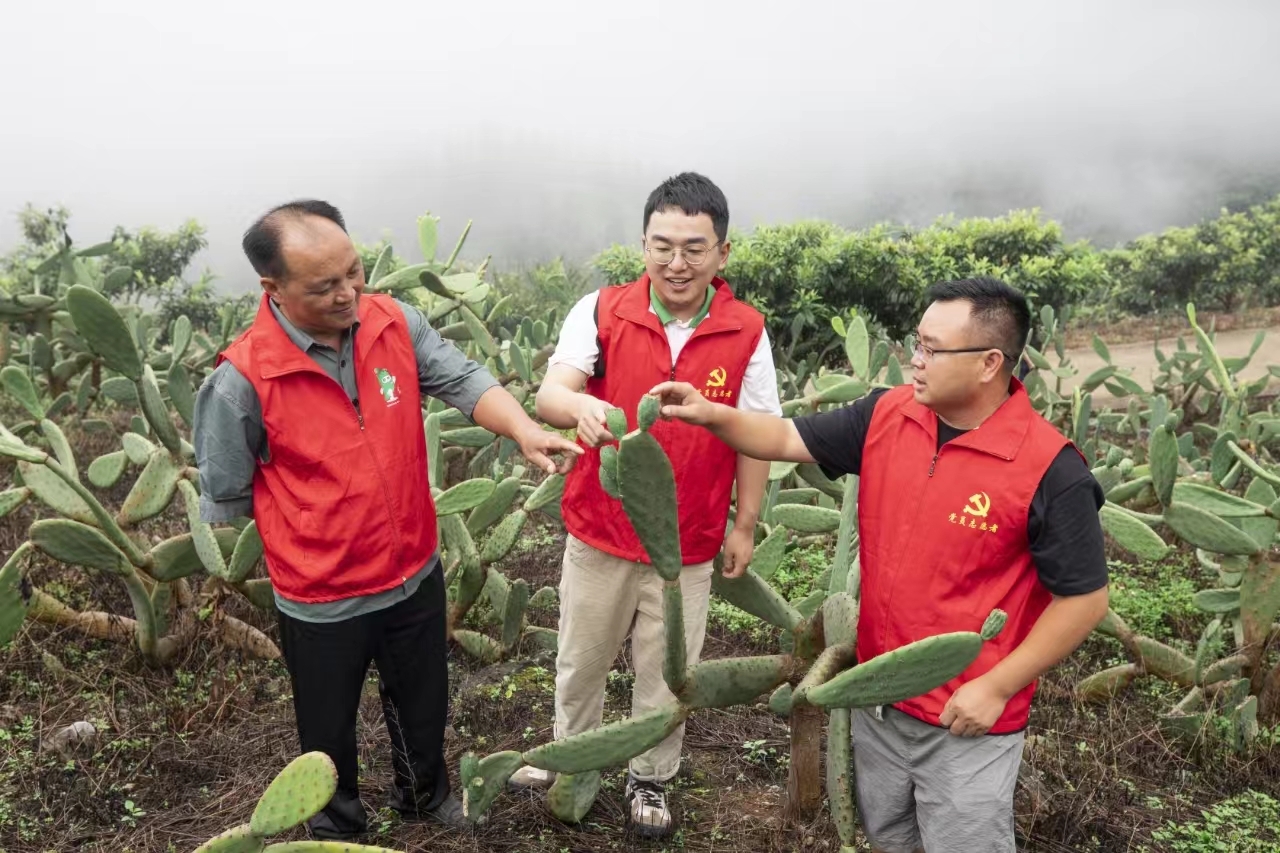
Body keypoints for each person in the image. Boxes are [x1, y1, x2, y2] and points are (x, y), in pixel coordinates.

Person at [650, 277, 1109, 853]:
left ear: (990, 362)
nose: (914, 361)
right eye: (915, 343)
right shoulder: (889, 415)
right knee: (890, 840)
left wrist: (996, 686)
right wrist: (709, 412)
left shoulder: (1051, 470)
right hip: (878, 696)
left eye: (931, 349)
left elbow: (1085, 599)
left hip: (965, 718)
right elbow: (784, 436)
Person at [192, 199, 581, 841]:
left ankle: (424, 798)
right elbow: (229, 497)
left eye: (355, 272)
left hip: (412, 570)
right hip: (320, 598)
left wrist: (523, 430)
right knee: (326, 731)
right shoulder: (241, 379)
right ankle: (337, 827)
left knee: (423, 703)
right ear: (274, 289)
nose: (349, 293)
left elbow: (461, 377)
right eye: (325, 286)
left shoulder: (393, 322)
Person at [511, 172, 782, 838]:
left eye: (694, 247)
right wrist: (583, 406)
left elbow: (758, 434)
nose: (677, 262)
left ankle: (650, 777)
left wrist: (744, 525)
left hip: (686, 544)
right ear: (643, 244)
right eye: (662, 245)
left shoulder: (747, 330)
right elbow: (552, 394)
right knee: (582, 655)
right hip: (600, 528)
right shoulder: (601, 309)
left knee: (669, 669)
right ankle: (566, 752)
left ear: (722, 252)